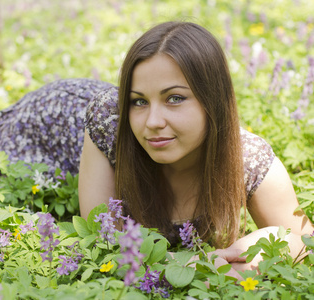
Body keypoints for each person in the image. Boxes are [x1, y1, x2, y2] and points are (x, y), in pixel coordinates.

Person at [78, 21, 313, 275]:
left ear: (213, 101)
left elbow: (305, 242)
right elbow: (103, 245)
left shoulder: (248, 158)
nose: (153, 122)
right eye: (139, 101)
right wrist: (198, 268)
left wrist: (258, 248)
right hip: (59, 119)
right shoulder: (110, 122)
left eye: (175, 98)